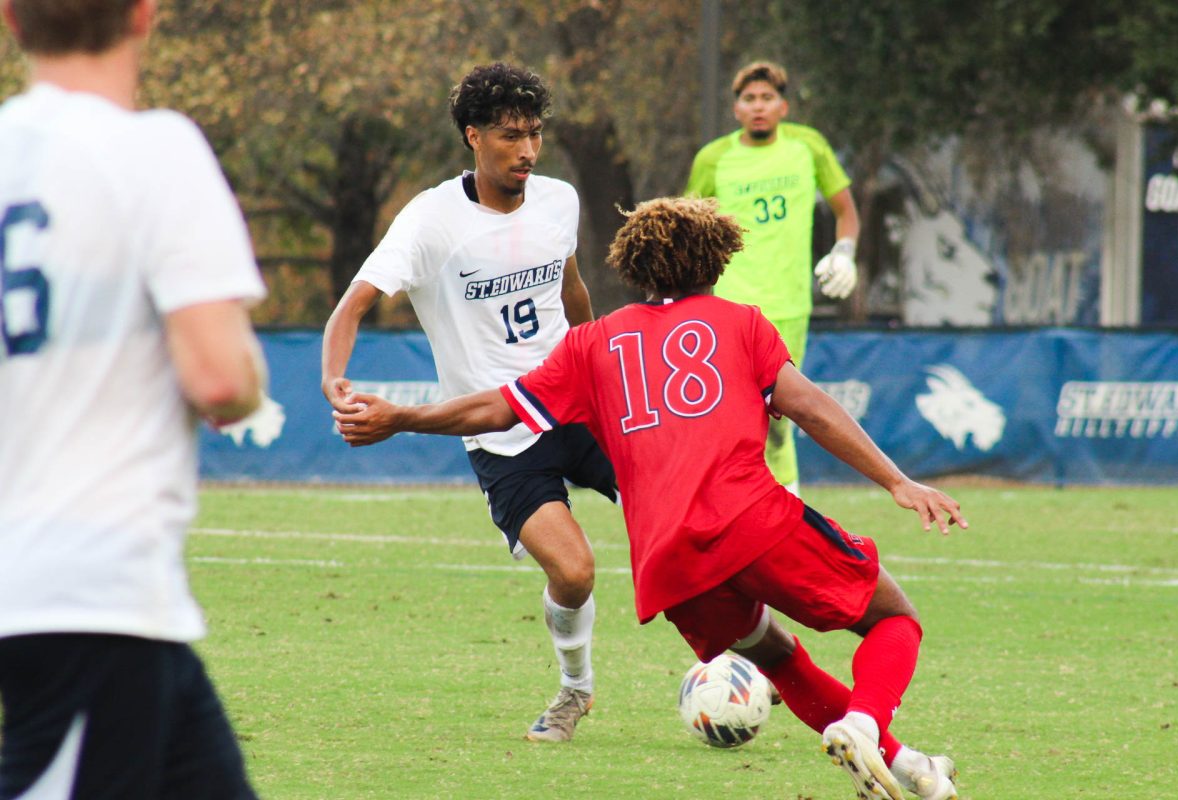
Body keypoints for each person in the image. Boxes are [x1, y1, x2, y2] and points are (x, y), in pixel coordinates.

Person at [333, 197, 963, 800]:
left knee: (777, 657)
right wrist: (898, 482)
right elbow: (813, 410)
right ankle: (862, 721)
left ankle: (911, 769)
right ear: (717, 258)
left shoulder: (592, 343)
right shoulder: (740, 322)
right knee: (893, 618)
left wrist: (402, 417)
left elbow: (495, 408)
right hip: (751, 519)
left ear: (634, 266)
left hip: (670, 567)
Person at [0, 0, 268, 797]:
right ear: (146, 16)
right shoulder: (155, 150)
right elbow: (220, 378)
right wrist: (245, 382)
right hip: (89, 589)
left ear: (11, 18)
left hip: (96, 601)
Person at [321, 62, 617, 743]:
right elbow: (352, 305)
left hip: (576, 401)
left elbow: (570, 289)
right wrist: (334, 379)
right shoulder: (430, 222)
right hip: (501, 429)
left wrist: (594, 353)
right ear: (473, 136)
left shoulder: (559, 201)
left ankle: (745, 655)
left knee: (686, 518)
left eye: (536, 134)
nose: (528, 151)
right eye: (512, 136)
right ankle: (576, 689)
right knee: (573, 572)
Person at [685, 60, 861, 496]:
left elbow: (846, 212)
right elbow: (689, 225)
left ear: (783, 106)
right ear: (736, 109)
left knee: (781, 417)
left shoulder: (809, 147)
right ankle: (731, 502)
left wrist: (845, 251)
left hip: (789, 305)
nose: (758, 106)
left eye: (767, 98)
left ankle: (787, 504)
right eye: (749, 99)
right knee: (734, 413)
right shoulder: (714, 157)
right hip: (730, 306)